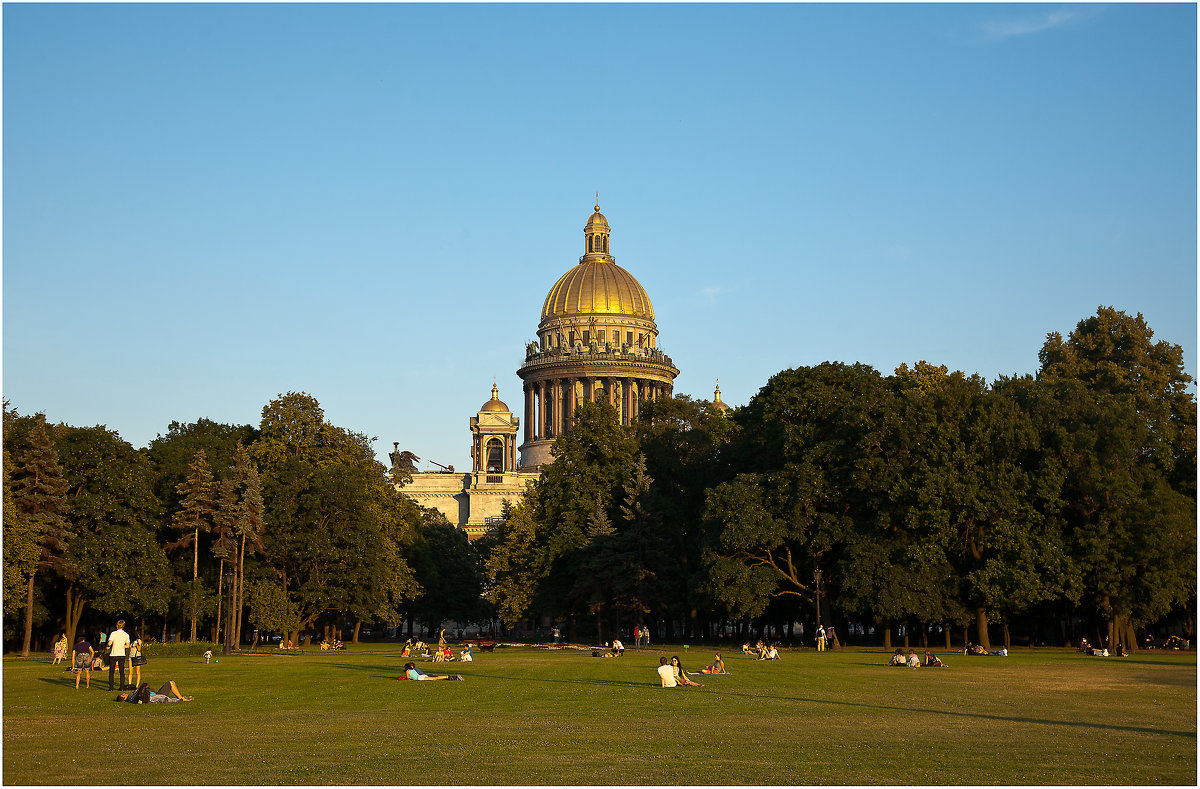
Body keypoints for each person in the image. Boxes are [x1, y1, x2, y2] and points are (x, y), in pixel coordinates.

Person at [107, 619, 130, 691]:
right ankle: (122, 687)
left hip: (113, 654)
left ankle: (111, 687)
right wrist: (122, 645)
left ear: (117, 625)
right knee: (121, 671)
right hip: (121, 654)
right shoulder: (126, 635)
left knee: (112, 671)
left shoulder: (113, 633)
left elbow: (110, 643)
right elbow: (127, 646)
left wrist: (108, 646)